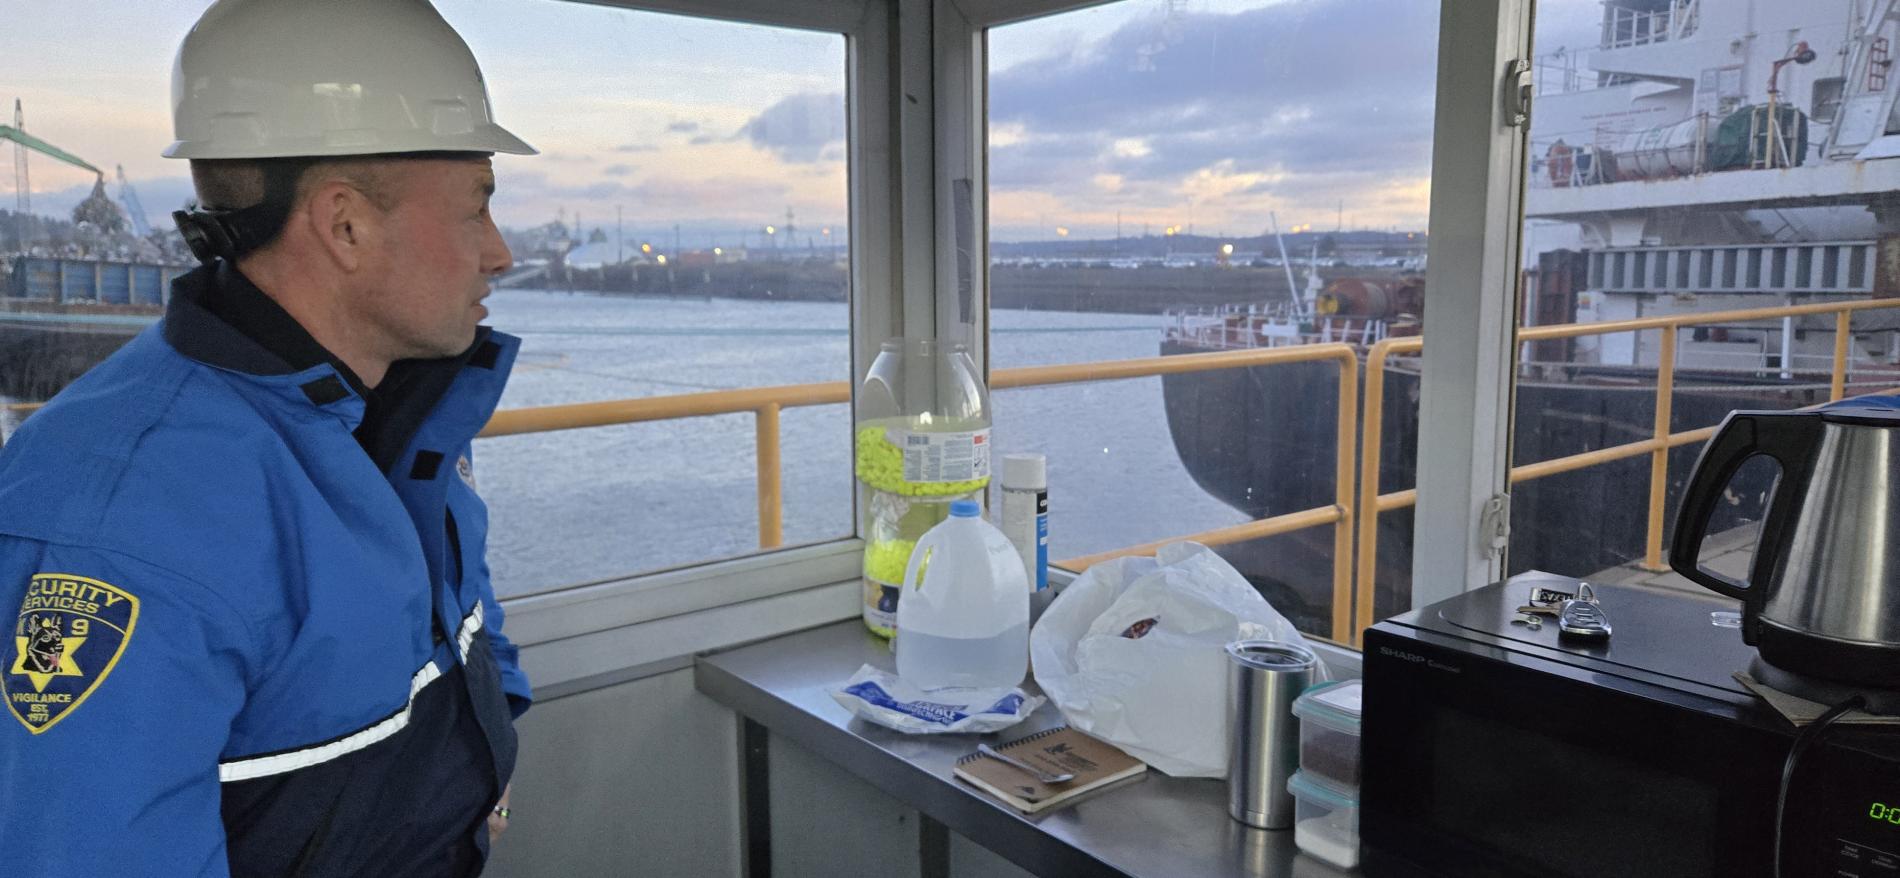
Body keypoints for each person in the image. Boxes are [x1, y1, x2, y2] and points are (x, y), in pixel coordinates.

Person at [0, 0, 536, 874]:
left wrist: (482, 780)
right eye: (478, 205)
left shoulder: (393, 414)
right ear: (344, 224)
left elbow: (466, 626)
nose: (500, 252)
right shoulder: (121, 523)